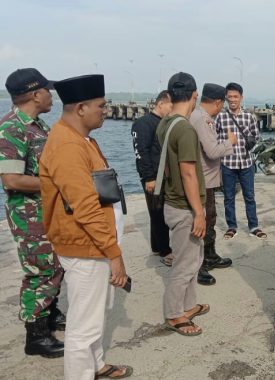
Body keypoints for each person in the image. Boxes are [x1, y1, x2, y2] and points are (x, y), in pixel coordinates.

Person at [39, 74, 133, 379]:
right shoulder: (67, 145)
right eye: (101, 106)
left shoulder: (83, 139)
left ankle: (96, 365)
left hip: (96, 246)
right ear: (81, 108)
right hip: (86, 247)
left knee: (95, 316)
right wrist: (113, 252)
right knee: (83, 327)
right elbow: (86, 207)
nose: (105, 110)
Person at [0, 68, 65, 358]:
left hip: (46, 210)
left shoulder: (37, 125)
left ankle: (49, 316)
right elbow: (11, 180)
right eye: (47, 90)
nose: (51, 95)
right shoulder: (12, 127)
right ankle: (36, 336)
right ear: (36, 94)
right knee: (40, 271)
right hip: (29, 215)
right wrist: (57, 183)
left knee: (54, 266)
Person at [155, 72, 209, 336]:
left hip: (173, 202)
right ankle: (174, 314)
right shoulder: (185, 128)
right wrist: (199, 212)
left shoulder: (164, 123)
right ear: (194, 95)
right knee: (185, 263)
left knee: (193, 258)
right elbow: (188, 172)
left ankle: (188, 304)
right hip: (185, 207)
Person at [189, 83, 237, 286]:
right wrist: (230, 143)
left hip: (207, 179)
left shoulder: (200, 116)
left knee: (211, 219)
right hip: (203, 181)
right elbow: (212, 151)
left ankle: (210, 255)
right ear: (218, 102)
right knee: (203, 223)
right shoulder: (202, 120)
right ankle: (199, 265)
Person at [215, 82, 266, 240]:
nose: (232, 99)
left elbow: (256, 137)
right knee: (228, 197)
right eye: (229, 96)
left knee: (249, 196)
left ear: (241, 98)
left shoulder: (249, 117)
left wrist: (248, 143)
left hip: (246, 163)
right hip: (227, 163)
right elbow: (215, 139)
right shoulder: (220, 117)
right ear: (226, 98)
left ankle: (254, 226)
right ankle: (232, 226)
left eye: (235, 96)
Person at [131, 90, 174, 265]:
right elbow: (140, 152)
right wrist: (148, 177)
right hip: (152, 176)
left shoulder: (165, 123)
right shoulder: (143, 124)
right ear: (161, 103)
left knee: (158, 212)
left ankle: (157, 246)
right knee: (157, 213)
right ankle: (165, 251)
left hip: (163, 174)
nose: (172, 110)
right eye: (171, 106)